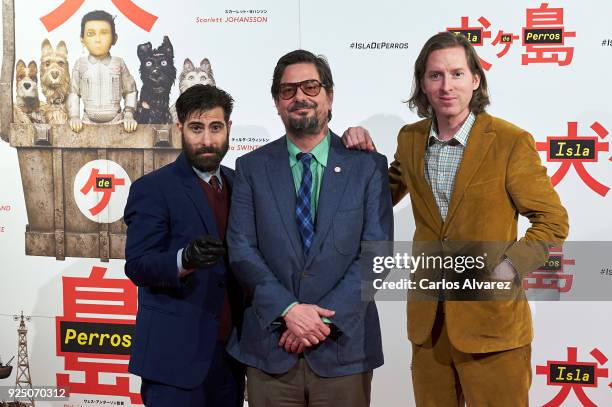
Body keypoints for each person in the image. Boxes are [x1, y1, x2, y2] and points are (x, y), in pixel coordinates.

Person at [342, 32, 569, 406]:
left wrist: (510, 266)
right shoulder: (411, 139)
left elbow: (552, 221)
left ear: (475, 79)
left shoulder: (511, 142)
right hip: (430, 326)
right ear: (423, 84)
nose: (446, 86)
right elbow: (378, 197)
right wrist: (360, 154)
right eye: (435, 76)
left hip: (493, 324)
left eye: (457, 74)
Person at [226, 49, 393, 406]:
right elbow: (241, 249)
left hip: (343, 348)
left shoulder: (367, 166)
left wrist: (320, 322)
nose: (300, 97)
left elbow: (376, 254)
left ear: (329, 96)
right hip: (271, 347)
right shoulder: (251, 168)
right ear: (276, 102)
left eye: (311, 87)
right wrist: (289, 311)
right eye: (288, 90)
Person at [124, 84, 244, 406]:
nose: (207, 140)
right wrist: (183, 260)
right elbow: (136, 264)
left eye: (215, 127)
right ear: (179, 129)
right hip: (173, 360)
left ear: (228, 128)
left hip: (232, 359)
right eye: (196, 128)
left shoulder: (241, 184)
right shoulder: (153, 188)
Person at [68, 10, 138, 133]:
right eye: (91, 34)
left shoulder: (119, 63)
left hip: (117, 123)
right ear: (82, 39)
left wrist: (129, 114)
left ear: (114, 38)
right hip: (86, 123)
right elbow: (74, 92)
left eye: (104, 33)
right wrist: (74, 116)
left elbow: (131, 91)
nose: (98, 39)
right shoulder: (80, 64)